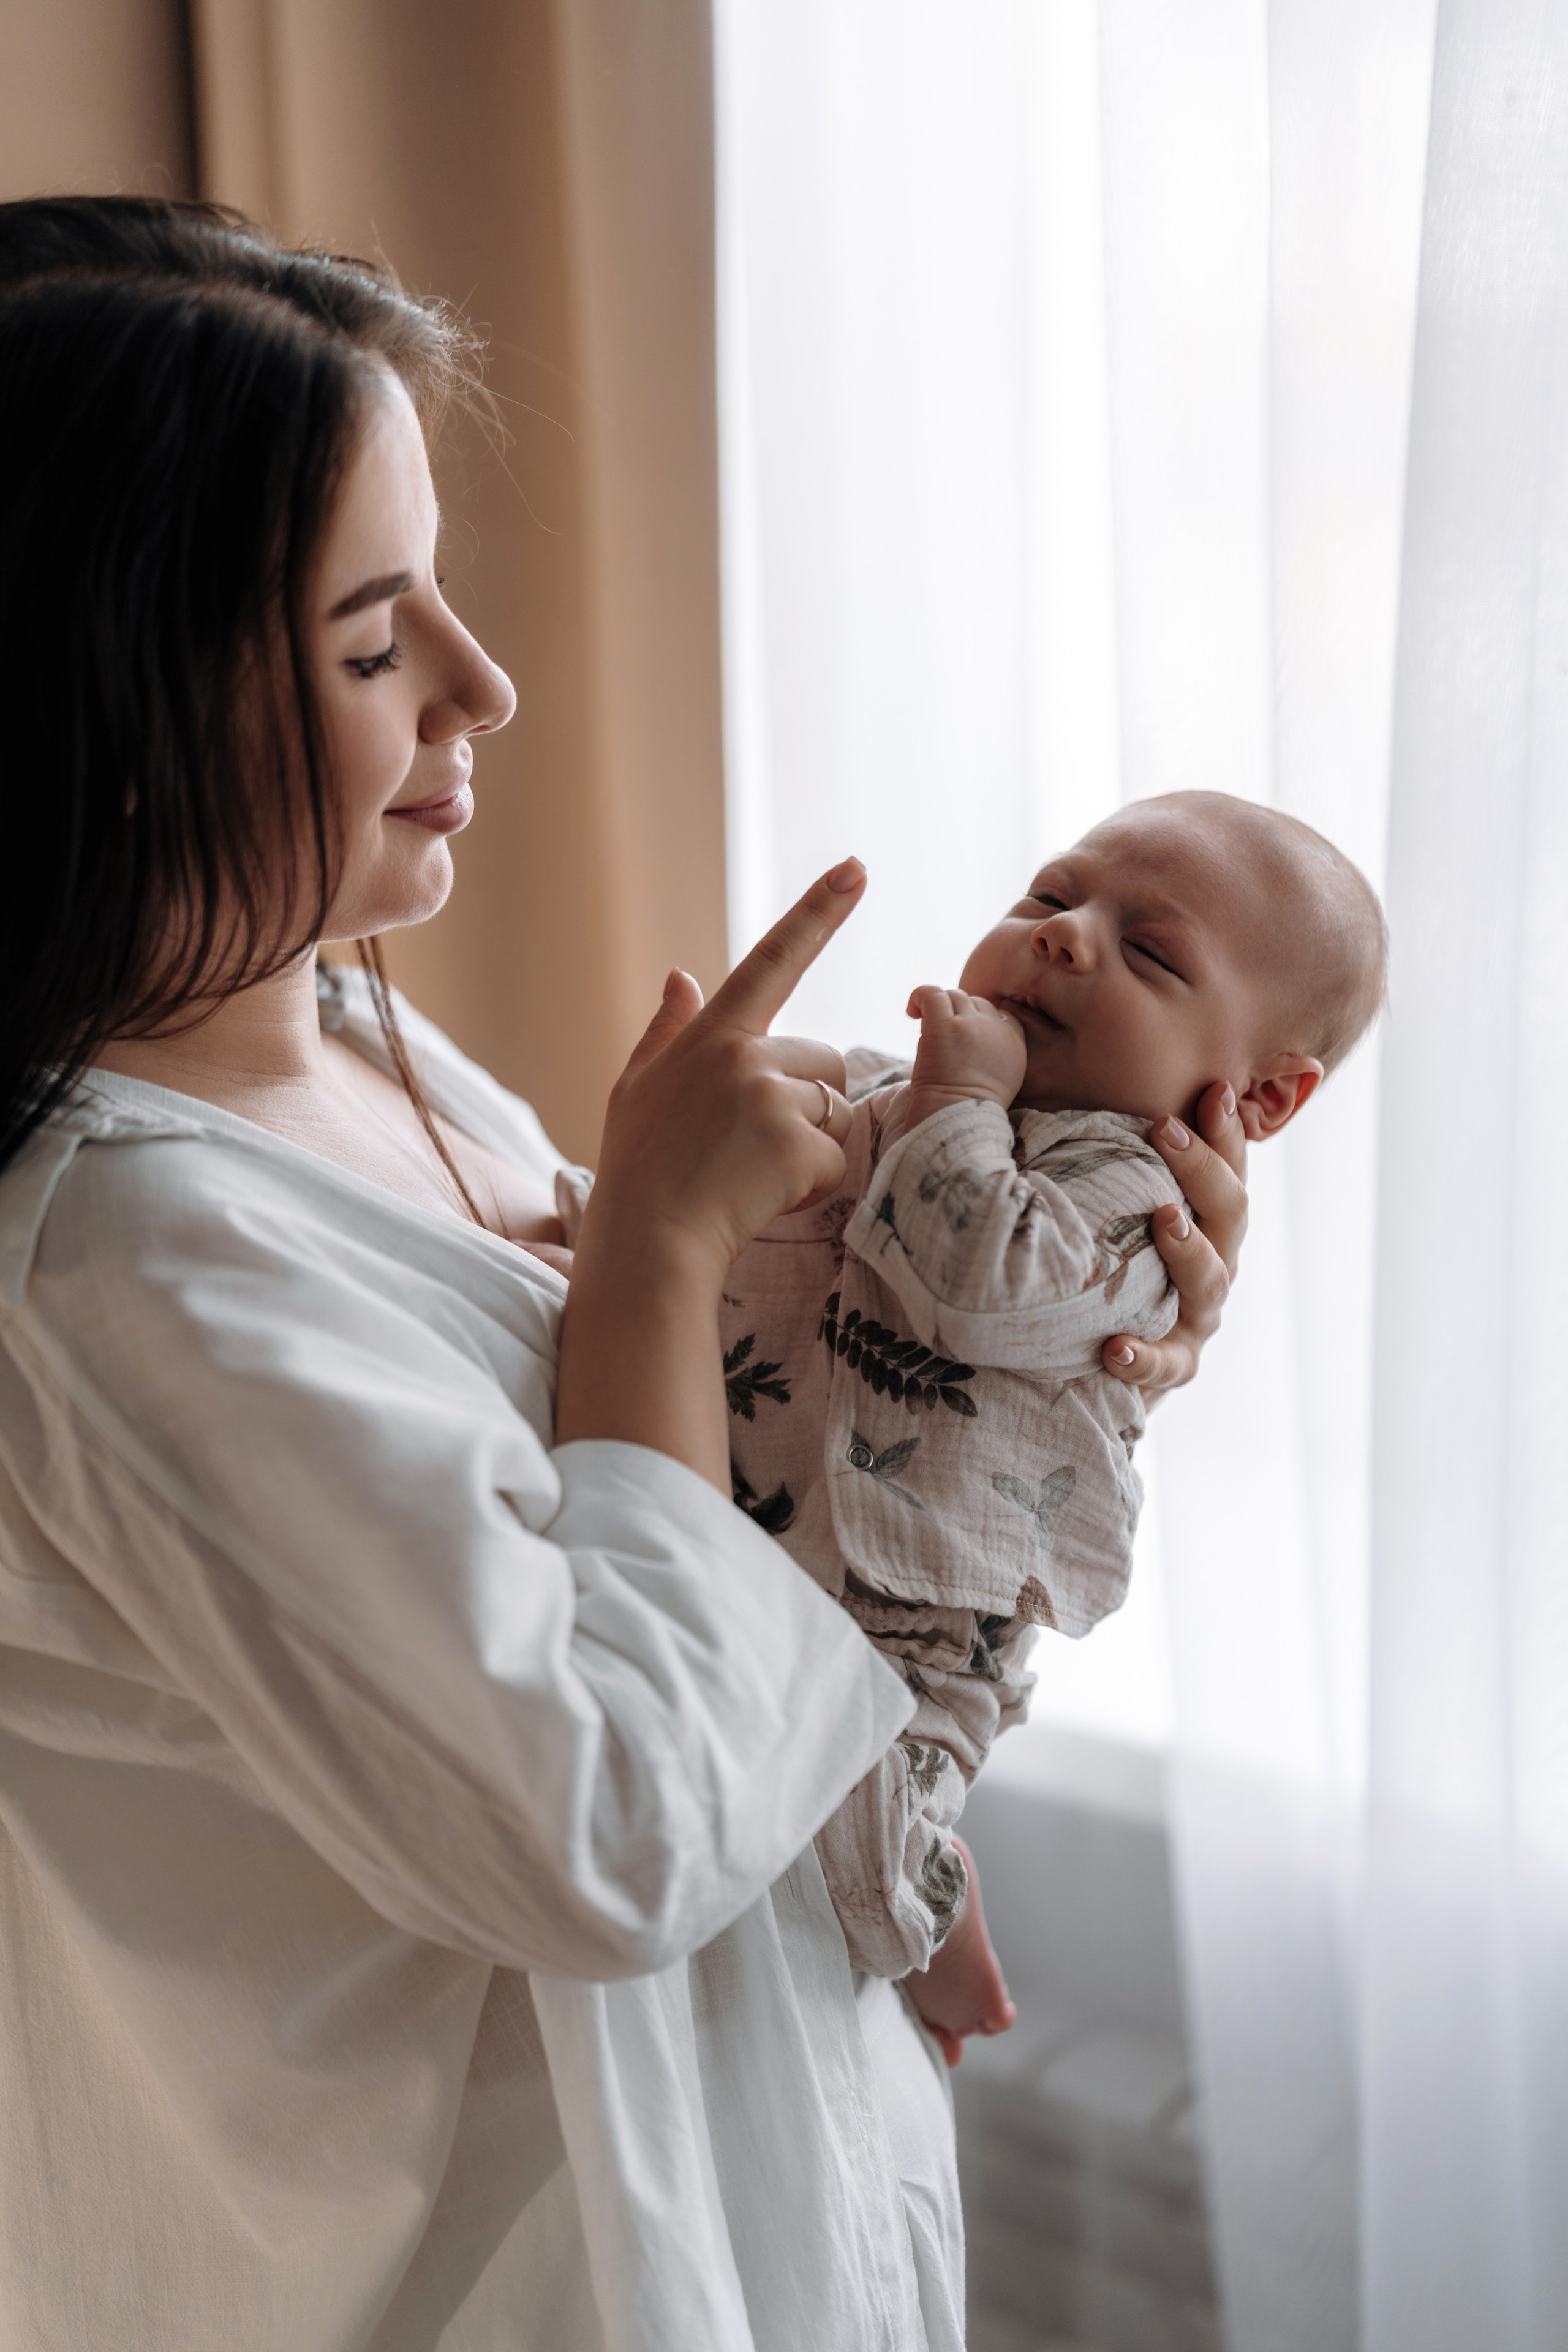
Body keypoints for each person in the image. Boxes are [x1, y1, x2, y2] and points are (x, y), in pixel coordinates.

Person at [0, 198, 1248, 2352]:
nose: (487, 683)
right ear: (104, 716)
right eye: (373, 643)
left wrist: (1032, 1327)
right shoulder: (119, 1275)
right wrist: (661, 1237)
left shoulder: (379, 1054)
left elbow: (737, 1492)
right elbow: (607, 1824)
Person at [605, 794, 1381, 2056]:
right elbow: (720, 1194)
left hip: (907, 1632)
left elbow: (973, 1273)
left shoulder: (1136, 1204)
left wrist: (953, 1096)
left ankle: (928, 1898)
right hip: (753, 1527)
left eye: (1150, 952)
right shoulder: (904, 1097)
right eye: (1046, 896)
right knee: (730, 1767)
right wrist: (602, 1207)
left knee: (845, 1849)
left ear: (1263, 1096)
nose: (1063, 937)